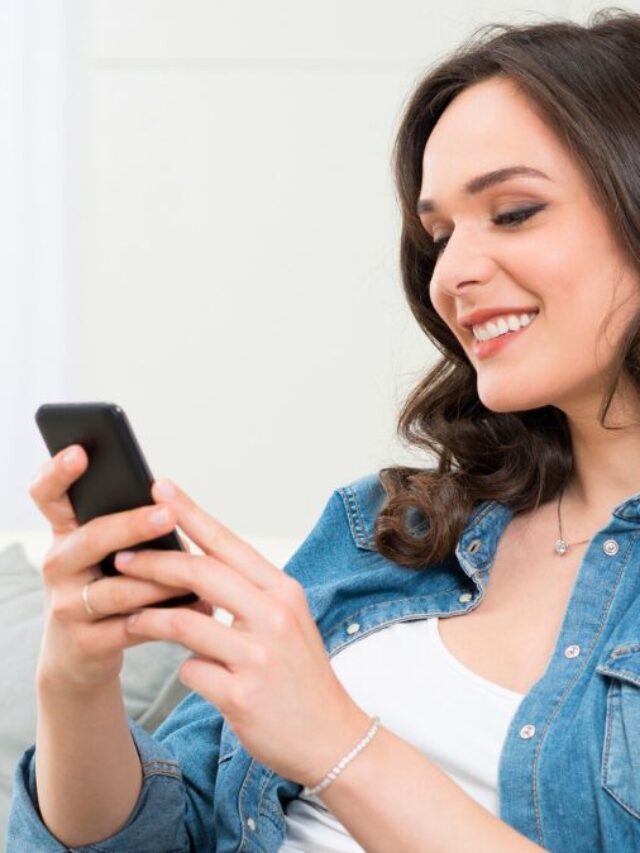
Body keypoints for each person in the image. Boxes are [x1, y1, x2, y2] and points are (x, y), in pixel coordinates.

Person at [8, 6, 640, 851]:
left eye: (515, 211)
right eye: (439, 234)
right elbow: (164, 833)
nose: (452, 274)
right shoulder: (388, 528)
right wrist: (77, 678)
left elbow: (329, 740)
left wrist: (338, 740)